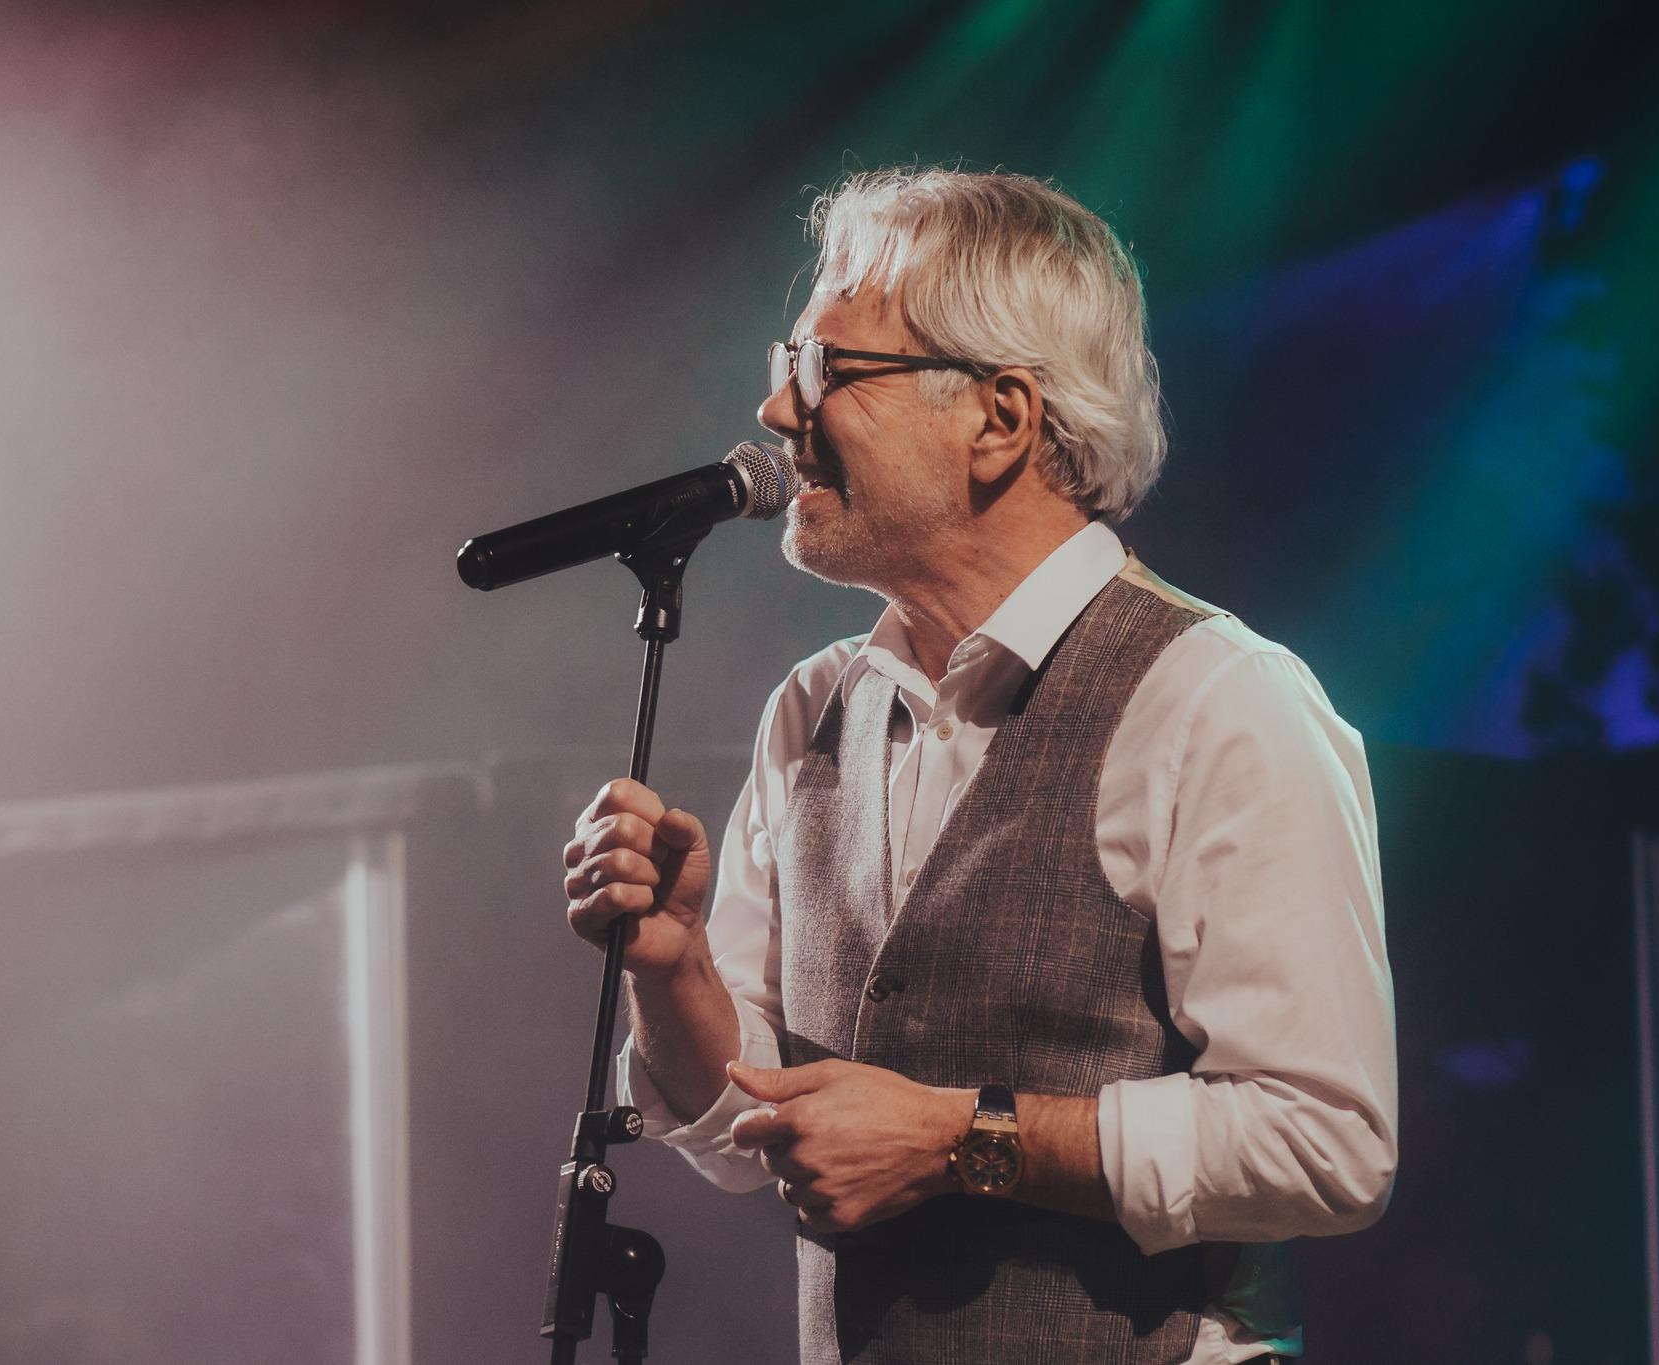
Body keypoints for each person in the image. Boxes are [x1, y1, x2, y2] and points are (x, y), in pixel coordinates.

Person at [563, 166, 1396, 1364]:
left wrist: (962, 1140)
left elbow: (1326, 1147)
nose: (777, 410)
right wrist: (670, 966)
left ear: (999, 418)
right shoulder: (815, 707)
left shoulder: (1216, 698)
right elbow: (745, 1118)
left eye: (826, 369)